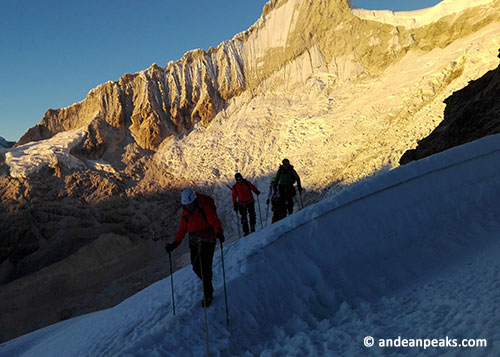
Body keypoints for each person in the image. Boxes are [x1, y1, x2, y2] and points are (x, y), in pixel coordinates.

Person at [165, 188, 224, 307]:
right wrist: (175, 244)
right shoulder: (185, 214)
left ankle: (208, 292)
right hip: (195, 242)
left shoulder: (204, 208)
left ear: (194, 201)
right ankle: (208, 283)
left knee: (205, 267)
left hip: (208, 240)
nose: (189, 206)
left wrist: (219, 232)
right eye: (186, 205)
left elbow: (214, 221)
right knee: (197, 266)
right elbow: (182, 230)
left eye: (190, 204)